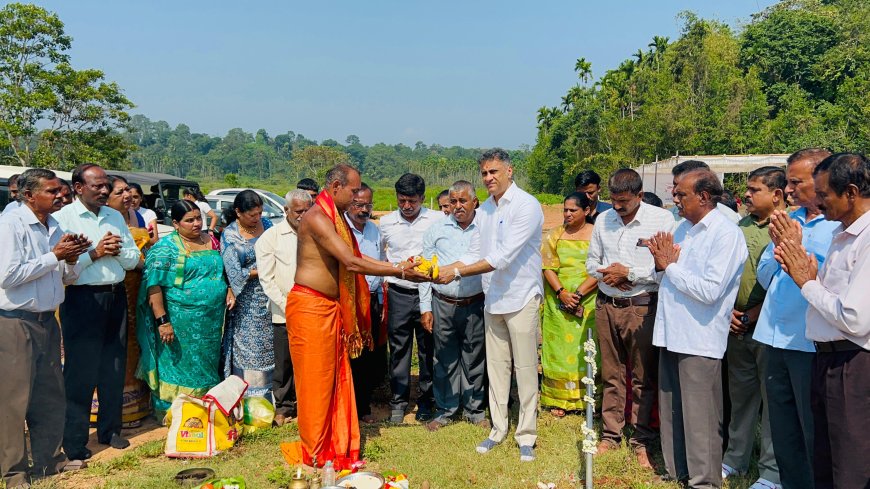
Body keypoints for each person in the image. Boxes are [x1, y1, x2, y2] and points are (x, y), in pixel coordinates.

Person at [287, 164, 429, 467]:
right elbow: (351, 262)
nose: (356, 198)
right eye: (353, 191)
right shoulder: (317, 217)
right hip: (311, 308)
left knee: (335, 378)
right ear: (336, 186)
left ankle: (334, 443)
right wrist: (398, 270)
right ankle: (315, 452)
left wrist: (396, 265)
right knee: (316, 382)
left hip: (329, 307)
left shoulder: (334, 217)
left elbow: (356, 256)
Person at [436, 148, 545, 462]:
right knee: (497, 369)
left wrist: (454, 271)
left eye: (494, 172)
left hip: (521, 296)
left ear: (509, 171)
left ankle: (526, 435)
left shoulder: (527, 206)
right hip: (493, 298)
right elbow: (473, 253)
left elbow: (502, 257)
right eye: (484, 173)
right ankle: (498, 429)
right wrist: (440, 270)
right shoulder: (483, 210)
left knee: (524, 369)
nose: (488, 178)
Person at [775, 152, 870, 489]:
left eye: (824, 194)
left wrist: (807, 283)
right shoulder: (842, 234)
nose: (817, 200)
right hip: (828, 358)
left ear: (852, 193)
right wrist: (811, 276)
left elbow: (855, 318)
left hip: (854, 363)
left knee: (851, 465)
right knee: (827, 459)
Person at [648, 169, 748, 488]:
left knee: (700, 418)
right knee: (673, 412)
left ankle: (704, 481)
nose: (674, 199)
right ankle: (679, 472)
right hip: (671, 332)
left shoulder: (725, 232)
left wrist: (670, 266)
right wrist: (659, 265)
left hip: (699, 337)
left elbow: (710, 290)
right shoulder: (681, 229)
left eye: (681, 195)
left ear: (704, 197)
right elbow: (665, 276)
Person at [752, 148, 839, 489]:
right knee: (783, 426)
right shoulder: (789, 219)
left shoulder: (837, 225)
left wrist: (798, 249)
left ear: (821, 179)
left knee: (812, 429)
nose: (787, 191)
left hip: (810, 342)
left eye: (795, 182)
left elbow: (833, 279)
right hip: (774, 336)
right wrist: (781, 248)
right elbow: (764, 276)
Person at [0, 169, 90, 488]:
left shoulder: (56, 226)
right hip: (15, 323)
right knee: (14, 400)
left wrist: (70, 259)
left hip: (46, 320)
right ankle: (13, 473)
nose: (59, 196)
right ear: (29, 195)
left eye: (60, 191)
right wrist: (54, 256)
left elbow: (68, 277)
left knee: (49, 393)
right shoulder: (10, 225)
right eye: (51, 191)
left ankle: (49, 461)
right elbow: (7, 276)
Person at [585, 168, 674, 468]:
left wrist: (630, 274)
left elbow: (665, 269)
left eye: (624, 201)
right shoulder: (603, 219)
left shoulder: (660, 220)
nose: (617, 206)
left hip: (641, 307)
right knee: (611, 373)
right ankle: (610, 434)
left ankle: (641, 438)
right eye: (613, 200)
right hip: (606, 304)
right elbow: (590, 263)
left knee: (642, 377)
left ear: (639, 195)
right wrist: (611, 273)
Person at [53, 164, 140, 460]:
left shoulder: (114, 216)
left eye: (106, 186)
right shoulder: (63, 219)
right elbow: (66, 273)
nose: (104, 191)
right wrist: (95, 253)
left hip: (115, 297)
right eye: (97, 186)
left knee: (114, 365)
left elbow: (132, 260)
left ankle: (110, 430)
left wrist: (117, 251)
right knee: (80, 371)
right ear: (78, 188)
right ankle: (75, 440)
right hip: (83, 299)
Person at [721, 167, 786, 488]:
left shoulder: (787, 228)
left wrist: (753, 314)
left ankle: (771, 471)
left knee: (772, 402)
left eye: (754, 189)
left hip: (768, 327)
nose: (746, 195)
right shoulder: (740, 226)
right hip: (736, 325)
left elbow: (783, 281)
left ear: (777, 195)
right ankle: (735, 458)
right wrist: (731, 313)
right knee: (741, 396)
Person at [137, 200, 232, 418]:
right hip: (180, 323)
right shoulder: (165, 248)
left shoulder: (211, 240)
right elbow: (154, 287)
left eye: (199, 218)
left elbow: (220, 273)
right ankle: (176, 413)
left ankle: (205, 407)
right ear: (176, 224)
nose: (197, 223)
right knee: (179, 363)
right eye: (190, 220)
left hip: (211, 321)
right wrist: (163, 322)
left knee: (207, 361)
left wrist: (228, 289)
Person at [419, 181, 487, 431]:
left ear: (474, 202)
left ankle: (474, 410)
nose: (458, 206)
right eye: (453, 201)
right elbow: (426, 271)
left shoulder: (485, 228)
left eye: (463, 201)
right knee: (444, 358)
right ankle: (446, 409)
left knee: (474, 357)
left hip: (476, 303)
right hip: (443, 303)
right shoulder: (436, 230)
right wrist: (425, 307)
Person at [379, 173, 440, 423]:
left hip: (429, 294)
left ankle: (426, 402)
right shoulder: (385, 223)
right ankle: (398, 402)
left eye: (412, 201)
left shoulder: (437, 220)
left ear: (423, 198)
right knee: (399, 350)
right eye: (402, 200)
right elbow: (380, 258)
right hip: (399, 293)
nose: (406, 206)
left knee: (428, 349)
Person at [254, 189, 313, 426]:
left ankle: (308, 403)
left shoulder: (318, 233)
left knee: (311, 360)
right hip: (285, 312)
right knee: (285, 362)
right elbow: (266, 280)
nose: (303, 215)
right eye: (299, 211)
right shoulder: (271, 237)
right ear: (286, 210)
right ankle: (284, 406)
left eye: (308, 210)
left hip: (314, 310)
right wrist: (289, 306)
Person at [540, 192, 598, 418]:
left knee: (587, 348)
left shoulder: (597, 235)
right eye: (565, 210)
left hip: (588, 300)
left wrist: (579, 293)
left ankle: (590, 396)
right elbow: (547, 267)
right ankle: (559, 399)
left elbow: (600, 268)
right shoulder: (555, 234)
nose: (567, 214)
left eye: (573, 210)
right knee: (559, 351)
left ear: (587, 211)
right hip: (558, 303)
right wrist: (562, 293)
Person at [104, 175, 152, 427]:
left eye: (128, 192)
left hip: (136, 292)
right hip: (115, 287)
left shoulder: (135, 217)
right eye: (120, 192)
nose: (127, 197)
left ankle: (137, 405)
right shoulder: (104, 220)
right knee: (113, 348)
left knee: (135, 344)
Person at [220, 190, 274, 400]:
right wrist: (264, 270)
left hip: (270, 294)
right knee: (251, 346)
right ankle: (251, 396)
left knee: (271, 342)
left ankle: (272, 391)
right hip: (247, 299)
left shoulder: (268, 226)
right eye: (252, 215)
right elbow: (234, 271)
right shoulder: (230, 235)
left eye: (259, 213)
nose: (257, 218)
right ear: (238, 213)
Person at [344, 183, 387, 424]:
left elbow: (380, 263)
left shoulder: (374, 230)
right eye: (358, 204)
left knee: (369, 357)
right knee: (351, 355)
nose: (363, 210)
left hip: (372, 302)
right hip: (350, 303)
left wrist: (380, 301)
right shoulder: (341, 231)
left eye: (367, 205)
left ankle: (364, 407)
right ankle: (350, 409)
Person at [669, 161, 740, 224]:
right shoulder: (669, 216)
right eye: (675, 185)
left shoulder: (728, 218)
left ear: (703, 196)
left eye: (680, 186)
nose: (674, 191)